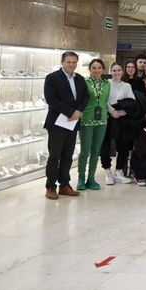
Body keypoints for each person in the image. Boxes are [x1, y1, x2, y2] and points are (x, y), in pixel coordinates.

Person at [43, 51, 88, 200]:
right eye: (69, 62)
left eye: (74, 62)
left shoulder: (80, 79)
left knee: (68, 155)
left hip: (73, 123)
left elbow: (85, 97)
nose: (71, 65)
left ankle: (64, 185)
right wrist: (70, 112)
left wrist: (79, 111)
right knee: (54, 156)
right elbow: (51, 99)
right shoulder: (52, 78)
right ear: (62, 62)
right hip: (57, 123)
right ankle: (50, 187)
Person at [76, 59, 111, 191]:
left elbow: (105, 101)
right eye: (94, 68)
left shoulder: (107, 84)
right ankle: (81, 178)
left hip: (102, 120)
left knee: (96, 150)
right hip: (87, 118)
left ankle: (91, 178)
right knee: (85, 150)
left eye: (99, 68)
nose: (96, 70)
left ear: (103, 69)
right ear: (90, 69)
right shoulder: (84, 83)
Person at [103, 62, 137, 185]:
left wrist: (120, 112)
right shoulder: (106, 84)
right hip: (108, 117)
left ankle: (118, 172)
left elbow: (132, 102)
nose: (117, 73)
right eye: (114, 70)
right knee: (105, 145)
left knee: (123, 145)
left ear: (122, 72)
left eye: (119, 70)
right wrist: (112, 111)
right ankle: (107, 171)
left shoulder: (127, 86)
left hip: (122, 119)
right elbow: (103, 100)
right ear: (111, 72)